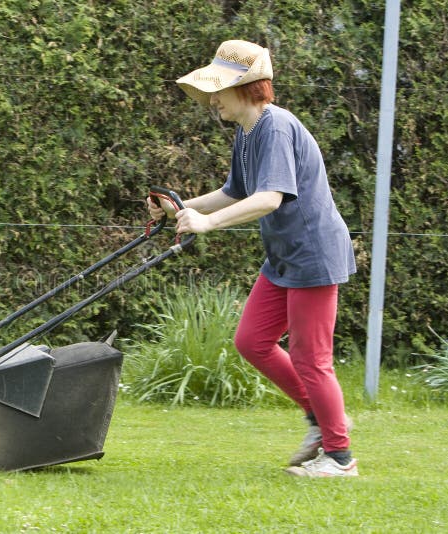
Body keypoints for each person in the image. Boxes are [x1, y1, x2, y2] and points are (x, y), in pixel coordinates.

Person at [147, 40, 358, 477]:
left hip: (312, 255)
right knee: (252, 341)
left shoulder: (275, 127)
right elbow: (235, 192)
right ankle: (322, 419)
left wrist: (208, 224)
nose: (211, 99)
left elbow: (269, 197)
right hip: (283, 256)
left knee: (311, 358)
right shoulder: (247, 132)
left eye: (217, 90)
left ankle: (339, 457)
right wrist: (180, 207)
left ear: (244, 88)